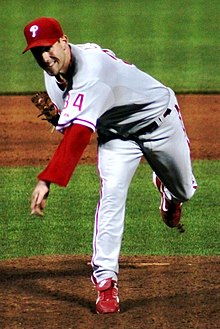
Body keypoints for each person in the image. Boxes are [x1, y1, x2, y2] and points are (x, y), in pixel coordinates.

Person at [23, 17, 197, 314]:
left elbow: (78, 135)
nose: (44, 57)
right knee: (111, 197)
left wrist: (46, 179)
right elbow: (75, 121)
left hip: (159, 122)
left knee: (185, 190)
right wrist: (61, 119)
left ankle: (169, 191)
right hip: (117, 137)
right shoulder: (52, 74)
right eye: (36, 51)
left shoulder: (92, 70)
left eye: (48, 47)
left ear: (63, 41)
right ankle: (106, 283)